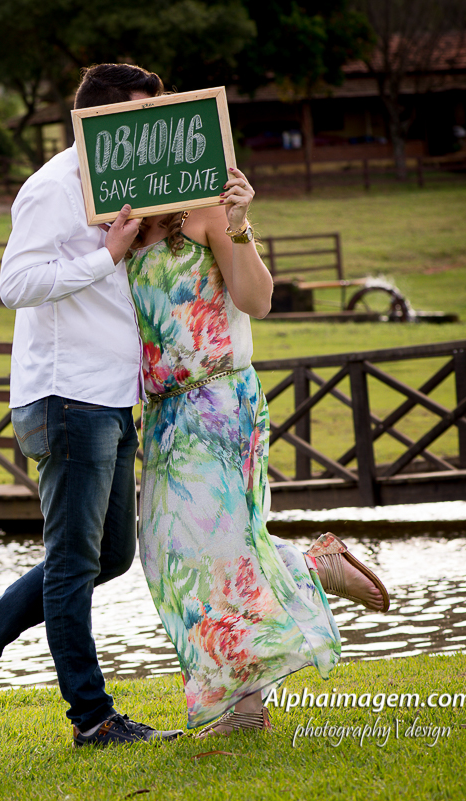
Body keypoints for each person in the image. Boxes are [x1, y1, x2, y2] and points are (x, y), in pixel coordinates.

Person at [0, 63, 183, 748]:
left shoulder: (126, 188)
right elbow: (15, 282)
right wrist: (106, 256)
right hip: (66, 398)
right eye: (138, 115)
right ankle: (92, 719)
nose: (149, 126)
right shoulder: (52, 187)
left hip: (110, 397)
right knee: (73, 563)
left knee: (111, 555)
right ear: (97, 122)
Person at [125, 96, 391, 735]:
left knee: (213, 552)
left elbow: (258, 300)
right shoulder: (121, 222)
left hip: (219, 400)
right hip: (162, 413)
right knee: (167, 554)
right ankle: (308, 571)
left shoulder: (209, 208)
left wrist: (239, 223)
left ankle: (243, 708)